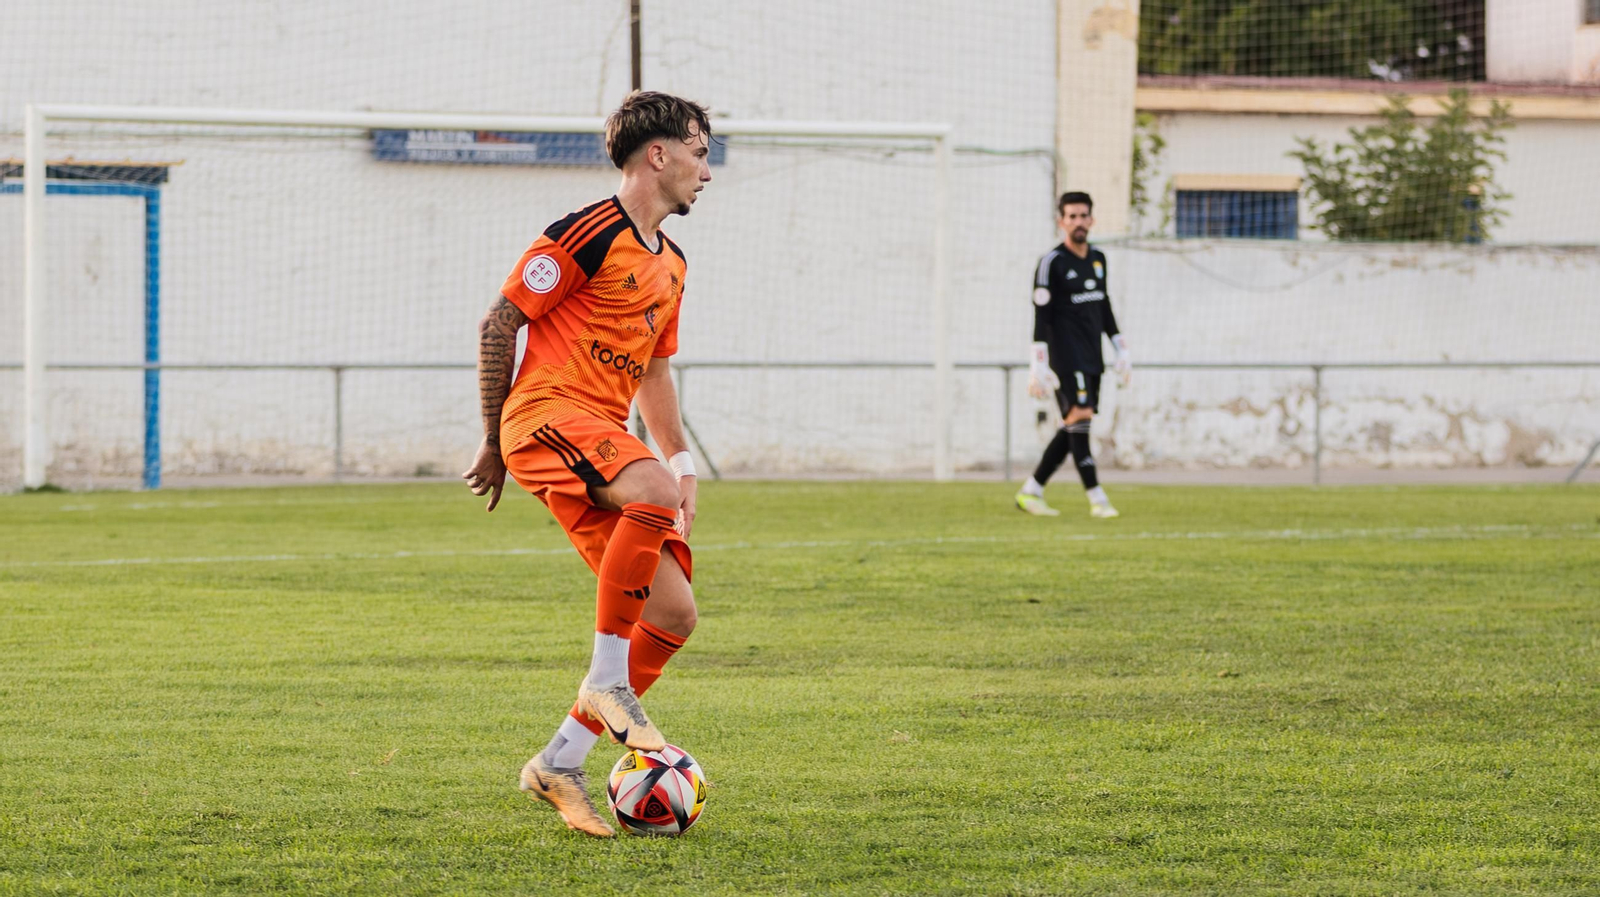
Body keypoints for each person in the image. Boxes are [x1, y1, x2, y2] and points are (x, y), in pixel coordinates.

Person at [461, 91, 713, 837]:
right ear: (658, 154)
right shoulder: (586, 231)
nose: (708, 169)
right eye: (700, 151)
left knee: (673, 614)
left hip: (599, 436)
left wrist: (682, 461)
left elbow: (655, 372)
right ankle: (607, 682)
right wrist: (491, 437)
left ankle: (558, 761)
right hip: (542, 414)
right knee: (651, 494)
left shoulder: (672, 263)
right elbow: (499, 321)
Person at [1015, 191, 1130, 519]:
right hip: (1066, 357)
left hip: (1093, 356)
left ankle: (1031, 491)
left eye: (1084, 215)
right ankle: (1098, 499)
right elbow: (1041, 317)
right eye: (1072, 216)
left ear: (1092, 219)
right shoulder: (1051, 263)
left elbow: (1103, 306)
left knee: (1073, 426)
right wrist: (1038, 365)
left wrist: (1121, 347)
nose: (1079, 222)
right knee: (1080, 418)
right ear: (1061, 221)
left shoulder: (1098, 259)